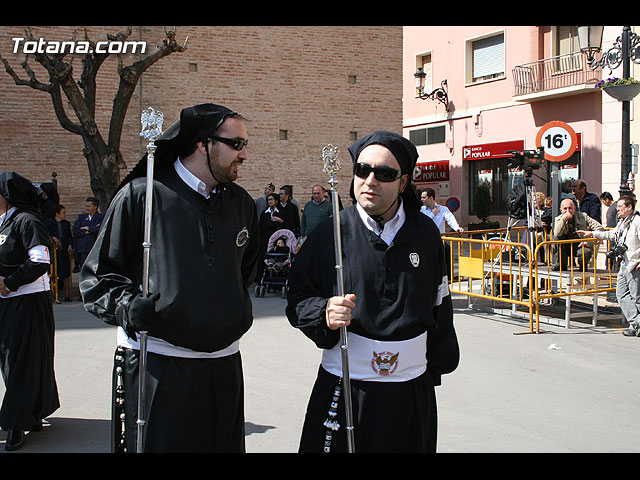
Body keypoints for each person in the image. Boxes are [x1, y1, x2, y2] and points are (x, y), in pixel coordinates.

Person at [80, 103, 259, 452]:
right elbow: (98, 276)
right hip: (159, 366)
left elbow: (245, 272)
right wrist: (128, 307)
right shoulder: (140, 196)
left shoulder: (242, 204)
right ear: (202, 144)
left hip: (223, 367)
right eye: (236, 144)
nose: (245, 154)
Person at [286, 130, 459, 453]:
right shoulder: (330, 234)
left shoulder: (426, 235)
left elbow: (440, 305)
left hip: (409, 392)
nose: (370, 180)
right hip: (346, 388)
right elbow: (297, 297)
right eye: (362, 170)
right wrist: (323, 313)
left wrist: (433, 368)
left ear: (403, 183)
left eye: (385, 174)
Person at [0, 171, 60, 451]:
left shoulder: (27, 220)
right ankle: (30, 414)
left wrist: (9, 283)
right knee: (12, 362)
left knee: (21, 363)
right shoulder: (5, 223)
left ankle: (16, 424)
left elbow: (40, 261)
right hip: (8, 302)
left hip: (28, 301)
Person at [579, 196, 640, 337]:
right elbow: (612, 234)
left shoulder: (637, 221)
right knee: (621, 294)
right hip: (624, 263)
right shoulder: (623, 222)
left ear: (629, 207)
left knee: (636, 297)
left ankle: (635, 325)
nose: (617, 209)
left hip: (634, 263)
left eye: (620, 207)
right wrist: (592, 234)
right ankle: (637, 322)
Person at [552, 197, 603, 270]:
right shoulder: (558, 219)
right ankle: (561, 264)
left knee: (586, 251)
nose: (568, 211)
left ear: (574, 208)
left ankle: (583, 265)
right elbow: (557, 234)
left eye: (570, 208)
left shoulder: (583, 216)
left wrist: (589, 241)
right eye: (565, 209)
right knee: (555, 238)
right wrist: (563, 219)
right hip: (565, 246)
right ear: (561, 210)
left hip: (580, 245)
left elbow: (599, 228)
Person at [46, 204, 73, 302]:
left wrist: (70, 245)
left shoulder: (66, 224)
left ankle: (67, 295)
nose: (65, 214)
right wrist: (52, 238)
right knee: (52, 272)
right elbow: (45, 234)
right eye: (63, 213)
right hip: (53, 251)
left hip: (64, 250)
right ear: (57, 214)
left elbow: (69, 236)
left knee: (65, 273)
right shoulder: (49, 223)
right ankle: (53, 294)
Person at [257, 192, 285, 283]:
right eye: (268, 200)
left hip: (277, 240)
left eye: (271, 199)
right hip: (265, 239)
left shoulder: (280, 212)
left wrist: (279, 221)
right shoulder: (264, 213)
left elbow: (283, 225)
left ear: (276, 201)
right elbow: (262, 226)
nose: (270, 201)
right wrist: (273, 224)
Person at [72, 197, 104, 269]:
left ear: (95, 206)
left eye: (89, 206)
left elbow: (100, 229)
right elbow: (76, 230)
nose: (87, 208)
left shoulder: (101, 217)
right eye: (86, 206)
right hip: (83, 248)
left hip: (94, 247)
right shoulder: (81, 217)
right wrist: (89, 231)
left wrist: (87, 228)